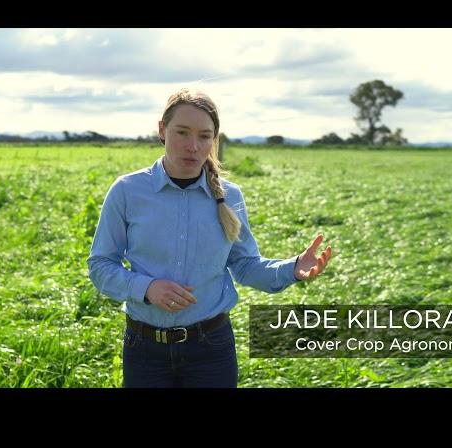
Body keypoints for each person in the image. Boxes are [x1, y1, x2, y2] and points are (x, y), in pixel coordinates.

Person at [87, 87, 331, 388]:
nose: (193, 146)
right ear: (162, 130)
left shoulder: (230, 196)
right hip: (145, 349)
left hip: (211, 350)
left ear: (214, 139)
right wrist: (147, 287)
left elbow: (244, 266)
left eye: (204, 136)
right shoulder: (127, 191)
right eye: (182, 133)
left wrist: (291, 269)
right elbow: (100, 265)